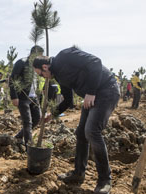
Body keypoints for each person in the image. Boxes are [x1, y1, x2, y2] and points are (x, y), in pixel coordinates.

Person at [32, 46, 119, 194]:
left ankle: (105, 180)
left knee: (91, 131)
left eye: (41, 74)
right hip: (90, 96)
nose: (43, 77)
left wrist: (91, 92)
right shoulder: (59, 76)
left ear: (45, 66)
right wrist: (52, 114)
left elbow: (96, 62)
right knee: (80, 133)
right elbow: (68, 101)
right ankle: (78, 173)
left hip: (106, 90)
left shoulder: (65, 55)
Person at [10, 45, 43, 146]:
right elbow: (12, 79)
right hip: (22, 96)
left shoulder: (37, 66)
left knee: (37, 118)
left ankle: (19, 136)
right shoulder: (22, 62)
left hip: (34, 97)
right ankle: (29, 145)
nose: (41, 58)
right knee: (27, 122)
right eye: (40, 56)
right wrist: (14, 96)